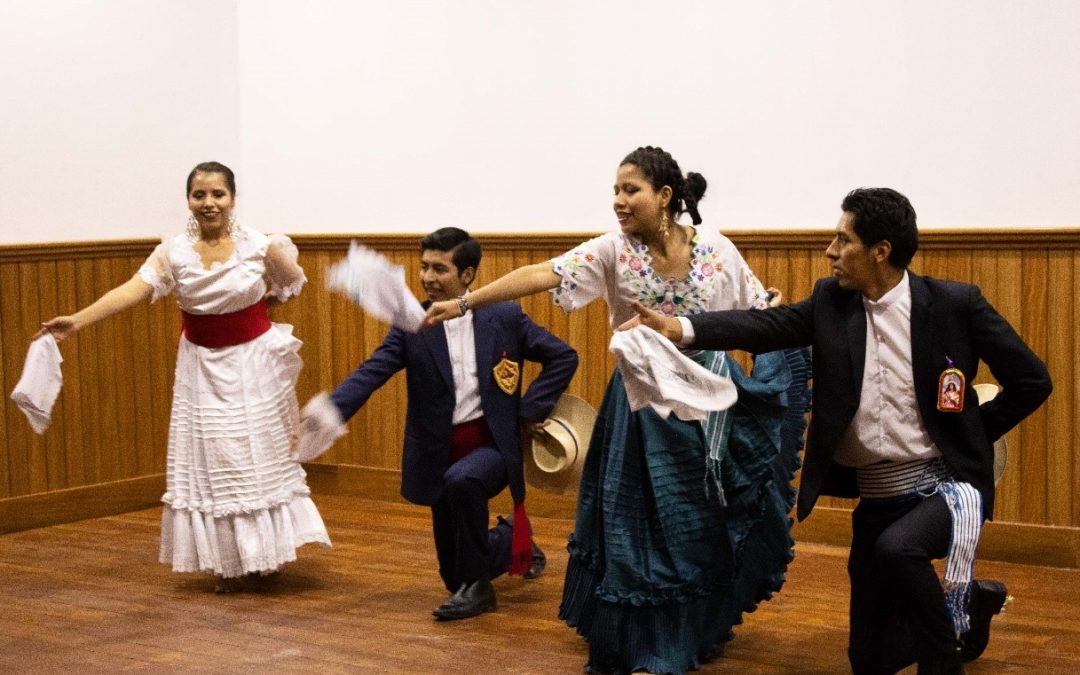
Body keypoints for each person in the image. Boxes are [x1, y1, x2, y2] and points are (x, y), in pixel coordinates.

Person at [625, 187, 1053, 674]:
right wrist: (678, 328)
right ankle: (968, 608)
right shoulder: (833, 302)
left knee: (899, 549)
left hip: (948, 490)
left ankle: (943, 662)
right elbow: (765, 326)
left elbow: (1033, 381)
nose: (830, 250)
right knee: (870, 660)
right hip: (879, 498)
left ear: (880, 251)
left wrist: (969, 436)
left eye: (842, 239)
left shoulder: (955, 304)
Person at [425, 146, 810, 674]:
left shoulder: (716, 250)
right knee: (639, 529)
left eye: (631, 191)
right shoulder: (613, 251)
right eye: (616, 191)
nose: (619, 202)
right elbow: (542, 273)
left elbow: (759, 314)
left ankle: (692, 627)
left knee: (700, 524)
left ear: (665, 196)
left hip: (706, 407)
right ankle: (645, 641)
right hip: (641, 408)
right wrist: (467, 303)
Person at [38, 161, 331, 592]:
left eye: (218, 195)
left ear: (232, 198)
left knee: (256, 456)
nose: (209, 203)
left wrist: (251, 322)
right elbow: (129, 292)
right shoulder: (172, 252)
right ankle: (228, 563)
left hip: (253, 368)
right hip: (201, 370)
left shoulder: (262, 246)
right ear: (189, 200)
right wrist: (76, 323)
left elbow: (290, 285)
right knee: (214, 461)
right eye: (200, 195)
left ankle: (263, 557)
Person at [301, 227, 578, 620]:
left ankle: (481, 591)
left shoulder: (504, 315)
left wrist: (530, 412)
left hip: (493, 447)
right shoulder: (411, 323)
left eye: (440, 269)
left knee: (463, 483)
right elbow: (371, 372)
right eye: (424, 267)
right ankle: (513, 544)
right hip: (438, 452)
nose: (428, 278)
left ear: (467, 275)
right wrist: (329, 412)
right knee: (453, 576)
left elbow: (563, 357)